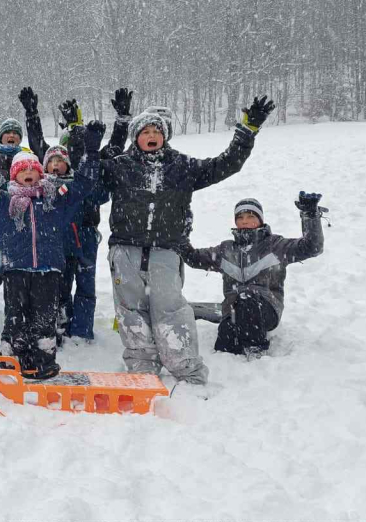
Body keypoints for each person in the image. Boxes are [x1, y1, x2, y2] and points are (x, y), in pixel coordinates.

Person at [99, 95, 276, 386]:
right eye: (145, 131)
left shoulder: (181, 166)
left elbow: (227, 164)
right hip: (125, 249)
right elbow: (87, 174)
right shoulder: (120, 166)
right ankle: (142, 369)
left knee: (170, 310)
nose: (152, 135)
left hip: (167, 250)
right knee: (131, 312)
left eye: (156, 131)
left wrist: (247, 130)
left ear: (165, 136)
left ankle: (187, 371)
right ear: (136, 138)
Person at [0, 121, 101, 380]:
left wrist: (91, 153)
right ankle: (11, 362)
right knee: (15, 318)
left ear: (41, 174)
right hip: (15, 269)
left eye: (33, 169)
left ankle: (42, 364)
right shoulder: (3, 200)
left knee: (44, 320)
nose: (28, 172)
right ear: (14, 175)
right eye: (22, 169)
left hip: (48, 269)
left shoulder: (55, 198)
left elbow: (84, 184)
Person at [23, 88, 123, 343]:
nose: (56, 164)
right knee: (60, 284)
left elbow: (111, 150)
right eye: (52, 161)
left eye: (62, 159)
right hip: (59, 237)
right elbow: (37, 145)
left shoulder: (86, 176)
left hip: (87, 234)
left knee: (86, 285)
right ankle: (61, 326)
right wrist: (32, 115)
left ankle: (82, 330)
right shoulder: (46, 184)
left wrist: (121, 121)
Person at [178, 194, 325, 357]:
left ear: (260, 219)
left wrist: (310, 214)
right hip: (233, 310)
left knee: (247, 297)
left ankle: (256, 352)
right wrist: (181, 236)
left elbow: (312, 247)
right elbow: (192, 257)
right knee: (227, 335)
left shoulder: (276, 246)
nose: (245, 221)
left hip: (266, 310)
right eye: (240, 217)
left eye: (250, 216)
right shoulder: (225, 250)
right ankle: (226, 364)